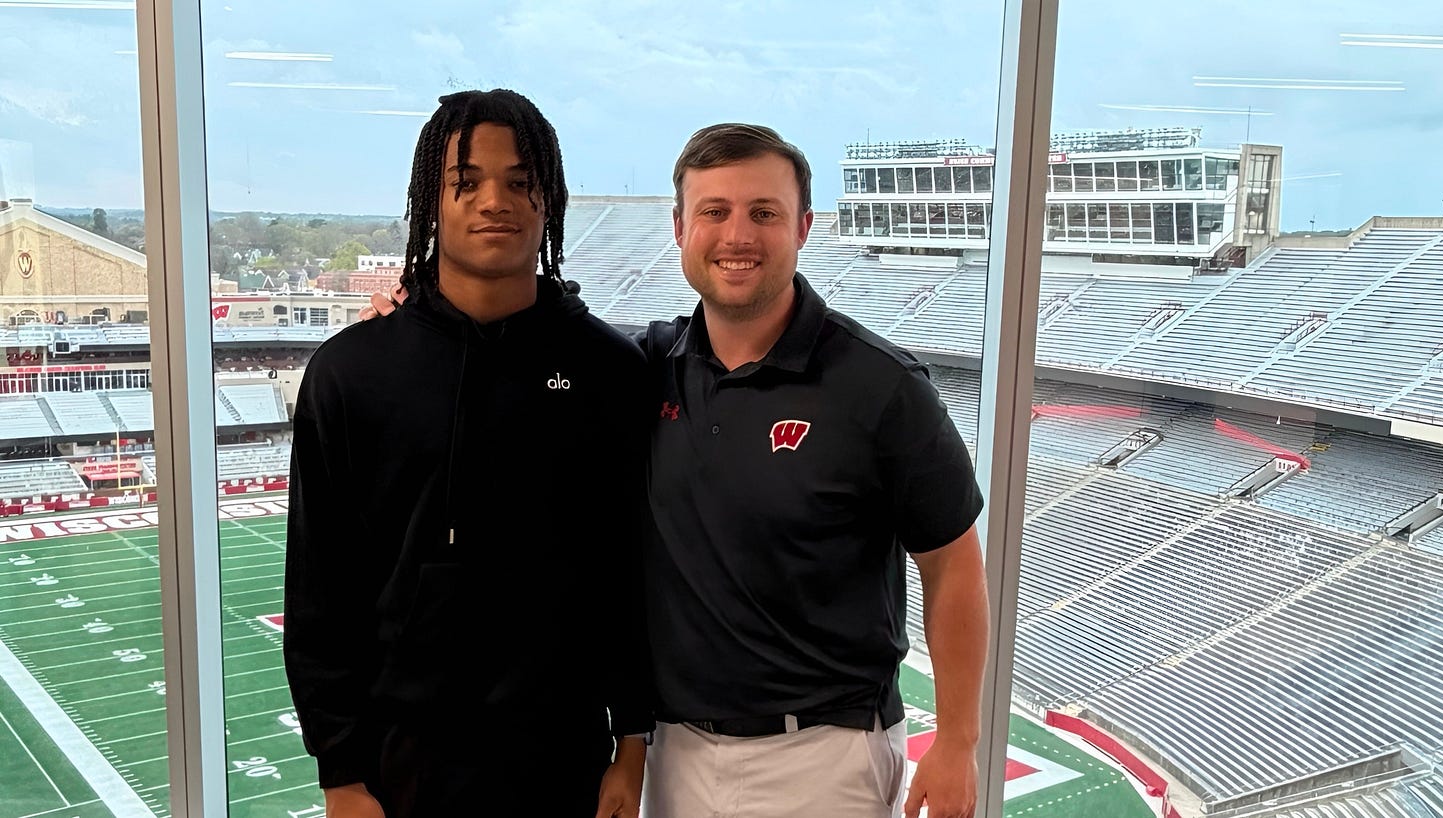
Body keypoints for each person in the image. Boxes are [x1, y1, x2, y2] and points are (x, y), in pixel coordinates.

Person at [362, 122, 990, 818]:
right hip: (675, 751)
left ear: (804, 227)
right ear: (680, 228)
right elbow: (532, 343)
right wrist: (417, 322)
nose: (737, 236)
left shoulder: (883, 386)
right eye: (714, 211)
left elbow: (953, 565)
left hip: (824, 753)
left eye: (763, 213)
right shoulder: (645, 367)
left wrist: (958, 739)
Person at [283, 88, 654, 818]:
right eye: (467, 181)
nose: (495, 202)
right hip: (399, 767)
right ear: (431, 199)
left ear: (549, 201)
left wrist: (633, 741)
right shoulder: (351, 372)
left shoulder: (609, 370)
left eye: (520, 181)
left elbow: (629, 572)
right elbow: (321, 590)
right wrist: (341, 773)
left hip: (566, 759)